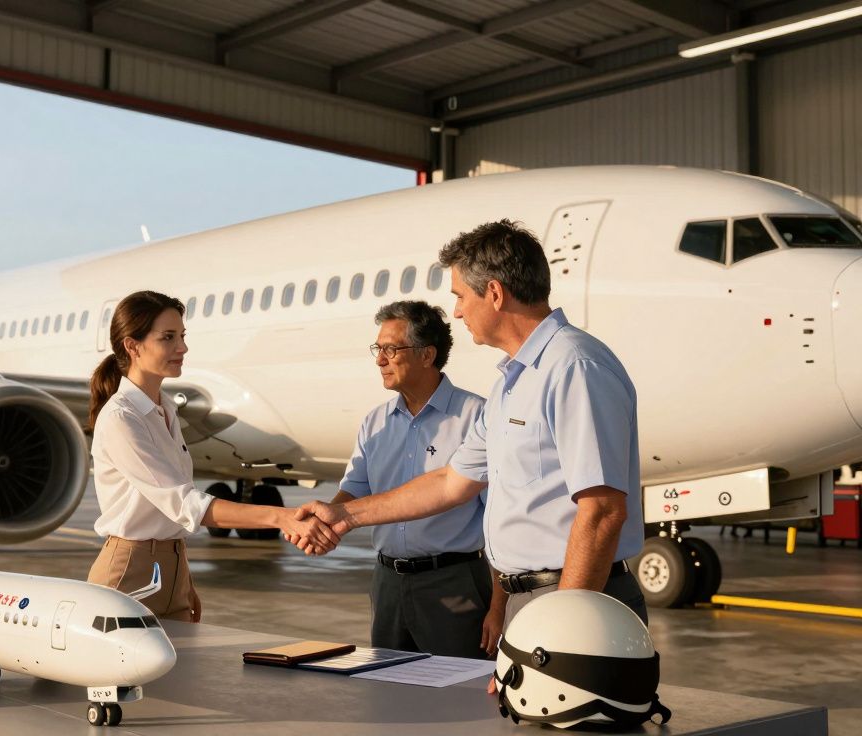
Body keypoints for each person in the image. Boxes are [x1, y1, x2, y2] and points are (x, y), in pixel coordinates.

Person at [295, 219, 647, 630]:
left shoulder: (574, 367)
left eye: (461, 296)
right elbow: (450, 482)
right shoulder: (511, 386)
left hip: (573, 599)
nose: (458, 310)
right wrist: (345, 516)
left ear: (494, 293)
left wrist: (561, 631)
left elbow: (603, 510)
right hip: (534, 600)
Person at [88, 290, 338, 622]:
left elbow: (171, 515)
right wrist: (281, 518)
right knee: (122, 676)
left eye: (182, 336)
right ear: (133, 346)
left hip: (171, 570)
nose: (183, 347)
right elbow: (183, 503)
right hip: (129, 572)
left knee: (178, 674)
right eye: (168, 337)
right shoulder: (122, 418)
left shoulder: (164, 409)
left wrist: (182, 579)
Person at [332, 301, 503, 658]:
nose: (380, 359)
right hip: (388, 583)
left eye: (391, 349)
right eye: (378, 349)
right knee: (389, 693)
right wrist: (322, 521)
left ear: (427, 355)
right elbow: (354, 491)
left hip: (454, 580)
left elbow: (500, 522)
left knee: (458, 693)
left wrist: (499, 607)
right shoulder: (374, 423)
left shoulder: (478, 417)